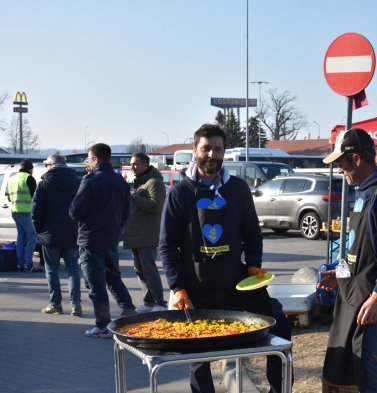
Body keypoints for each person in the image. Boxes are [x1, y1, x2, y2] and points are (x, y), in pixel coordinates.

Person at [159, 124, 291, 393]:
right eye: (206, 148)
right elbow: (167, 246)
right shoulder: (180, 194)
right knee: (198, 357)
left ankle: (279, 389)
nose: (211, 155)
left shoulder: (238, 189)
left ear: (224, 152)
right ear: (195, 151)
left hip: (236, 283)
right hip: (195, 287)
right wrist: (177, 286)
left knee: (279, 325)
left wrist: (253, 264)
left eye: (217, 149)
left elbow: (253, 233)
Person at [318, 128, 377, 392]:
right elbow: (363, 250)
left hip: (373, 300)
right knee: (358, 365)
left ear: (357, 159)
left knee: (372, 366)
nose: (339, 170)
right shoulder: (364, 192)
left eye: (341, 163)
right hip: (357, 295)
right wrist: (341, 278)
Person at [70, 143, 136, 338]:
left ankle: (103, 324)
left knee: (96, 283)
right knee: (113, 277)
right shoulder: (119, 181)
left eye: (89, 158)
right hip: (111, 238)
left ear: (96, 159)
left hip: (91, 239)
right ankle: (129, 311)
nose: (87, 163)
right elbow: (126, 211)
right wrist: (116, 228)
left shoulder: (90, 181)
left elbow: (75, 211)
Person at [32, 154, 82, 316]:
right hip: (72, 232)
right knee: (73, 268)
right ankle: (76, 305)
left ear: (51, 165)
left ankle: (55, 304)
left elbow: (36, 211)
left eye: (46, 164)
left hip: (50, 233)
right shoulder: (77, 182)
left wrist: (38, 230)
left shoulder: (45, 183)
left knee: (51, 269)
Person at [123, 153, 167, 313]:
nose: (133, 167)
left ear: (145, 164)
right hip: (136, 233)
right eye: (131, 164)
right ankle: (148, 302)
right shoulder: (141, 182)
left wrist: (134, 197)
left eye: (136, 164)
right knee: (140, 270)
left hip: (147, 234)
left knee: (149, 269)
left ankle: (160, 303)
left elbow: (156, 206)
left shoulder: (154, 182)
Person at [7, 159, 42, 272]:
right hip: (26, 212)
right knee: (32, 238)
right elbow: (35, 197)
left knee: (21, 238)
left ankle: (19, 264)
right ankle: (28, 265)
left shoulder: (11, 178)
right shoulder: (29, 178)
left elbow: (8, 196)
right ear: (30, 168)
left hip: (15, 211)